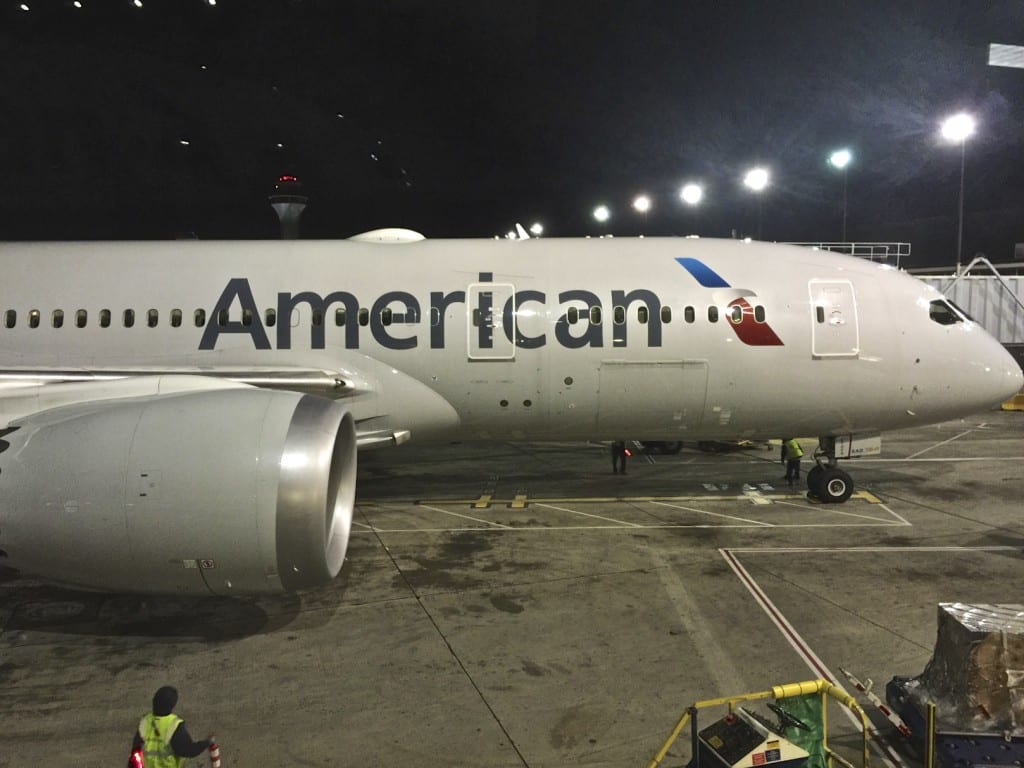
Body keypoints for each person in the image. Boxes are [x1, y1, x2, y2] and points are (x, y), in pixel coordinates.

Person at [131, 686, 212, 768]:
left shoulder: (145, 722)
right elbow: (187, 750)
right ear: (172, 705)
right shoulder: (174, 725)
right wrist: (206, 743)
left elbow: (135, 752)